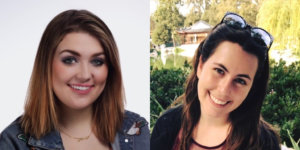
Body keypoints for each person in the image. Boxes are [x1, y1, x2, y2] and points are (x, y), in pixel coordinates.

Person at [0, 9, 149, 150]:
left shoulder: (137, 130)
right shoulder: (13, 143)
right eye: (70, 60)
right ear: (46, 65)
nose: (84, 75)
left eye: (97, 61)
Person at [151, 12, 280, 150]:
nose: (224, 90)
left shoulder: (264, 144)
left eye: (240, 81)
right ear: (201, 65)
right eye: (219, 71)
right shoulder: (167, 125)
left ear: (252, 87)